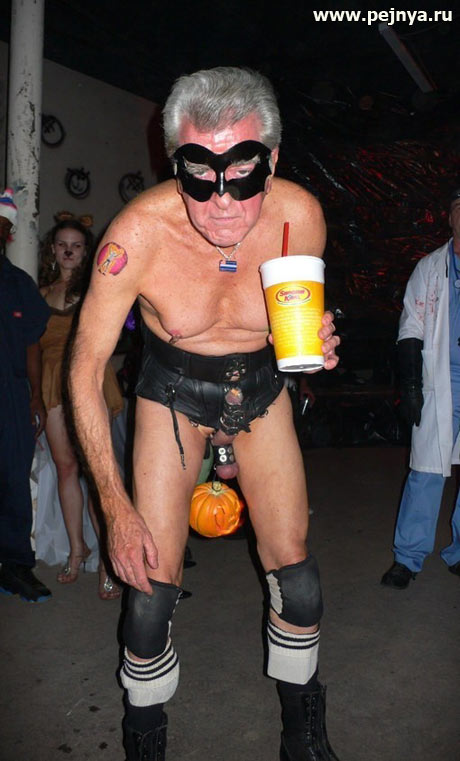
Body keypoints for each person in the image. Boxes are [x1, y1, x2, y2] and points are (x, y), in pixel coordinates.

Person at [69, 67, 341, 761]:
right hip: (172, 394)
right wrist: (113, 506)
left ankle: (304, 736)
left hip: (260, 388)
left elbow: (296, 324)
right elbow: (84, 368)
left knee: (298, 580)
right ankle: (144, 742)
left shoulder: (300, 217)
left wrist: (318, 342)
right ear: (173, 161)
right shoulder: (137, 235)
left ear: (272, 158)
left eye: (243, 174)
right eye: (200, 176)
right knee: (149, 592)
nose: (221, 202)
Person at [38, 214, 123, 600]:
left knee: (96, 471)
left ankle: (108, 559)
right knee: (66, 467)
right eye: (62, 244)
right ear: (52, 250)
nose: (69, 250)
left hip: (87, 377)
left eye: (76, 245)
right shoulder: (40, 293)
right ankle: (78, 549)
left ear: (86, 251)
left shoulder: (95, 288)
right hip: (52, 380)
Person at [382, 188, 460, 589]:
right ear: (449, 216)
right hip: (441, 382)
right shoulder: (429, 269)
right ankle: (407, 557)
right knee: (426, 470)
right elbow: (410, 326)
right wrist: (411, 384)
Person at [0, 188, 52, 603]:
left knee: (13, 478)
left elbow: (33, 344)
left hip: (11, 396)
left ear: (9, 234)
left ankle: (15, 564)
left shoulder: (19, 284)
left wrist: (36, 396)